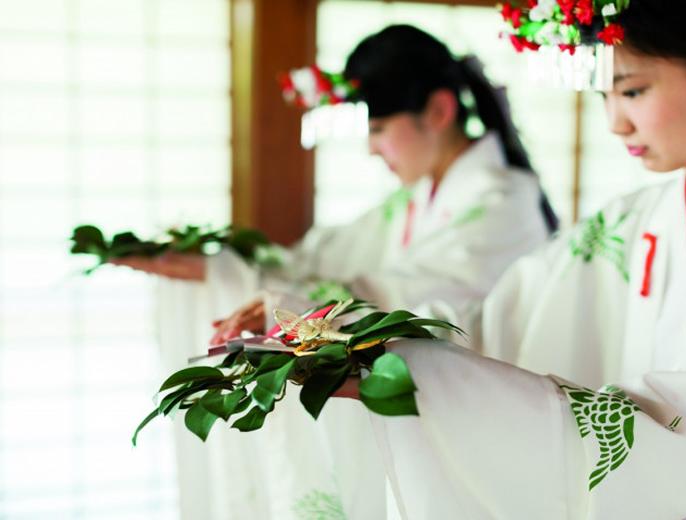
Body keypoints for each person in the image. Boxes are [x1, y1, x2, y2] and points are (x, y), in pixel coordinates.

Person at [116, 25, 557, 519]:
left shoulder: (503, 203)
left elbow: (414, 292)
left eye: (378, 129)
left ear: (438, 111)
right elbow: (324, 257)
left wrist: (292, 302)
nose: (371, 150)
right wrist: (223, 265)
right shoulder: (418, 198)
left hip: (482, 422)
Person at [336, 2, 686, 518]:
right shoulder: (632, 220)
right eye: (605, 95)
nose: (615, 123)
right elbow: (502, 320)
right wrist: (367, 341)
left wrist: (441, 380)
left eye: (634, 91)